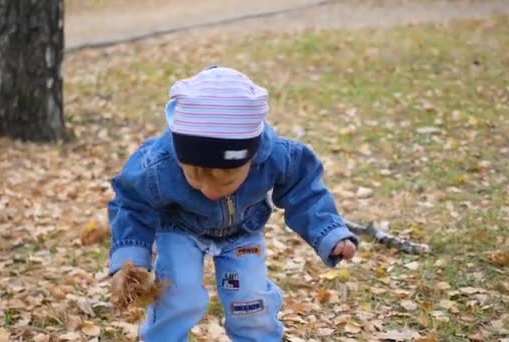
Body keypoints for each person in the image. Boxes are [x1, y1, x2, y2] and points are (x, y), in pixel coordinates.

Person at [108, 65, 358, 341]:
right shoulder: (158, 164)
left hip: (241, 233)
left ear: (252, 158)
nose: (210, 192)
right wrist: (130, 258)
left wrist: (329, 231)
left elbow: (305, 190)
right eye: (193, 178)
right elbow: (132, 204)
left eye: (225, 183)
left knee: (249, 302)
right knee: (179, 297)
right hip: (180, 230)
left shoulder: (274, 156)